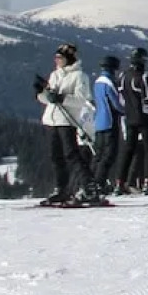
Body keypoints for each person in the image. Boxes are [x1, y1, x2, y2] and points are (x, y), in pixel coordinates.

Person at [36, 43, 97, 204]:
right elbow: (49, 100)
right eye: (56, 57)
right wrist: (41, 94)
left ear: (68, 59)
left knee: (71, 154)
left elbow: (82, 100)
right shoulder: (55, 75)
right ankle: (62, 188)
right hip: (51, 119)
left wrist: (62, 98)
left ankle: (88, 186)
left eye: (60, 58)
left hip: (67, 120)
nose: (56, 60)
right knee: (55, 156)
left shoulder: (79, 76)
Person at [115, 47, 148, 194]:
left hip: (129, 117)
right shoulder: (142, 77)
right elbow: (147, 100)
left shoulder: (123, 76)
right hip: (144, 117)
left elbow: (121, 99)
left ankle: (120, 183)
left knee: (128, 150)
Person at [90, 54, 124, 194]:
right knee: (109, 155)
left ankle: (90, 181)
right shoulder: (109, 82)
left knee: (98, 154)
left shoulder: (97, 82)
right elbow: (115, 103)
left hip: (99, 122)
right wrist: (124, 111)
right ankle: (99, 183)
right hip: (110, 121)